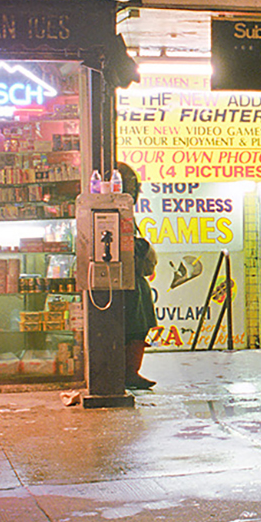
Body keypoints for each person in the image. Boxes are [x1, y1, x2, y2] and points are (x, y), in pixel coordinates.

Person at [116, 164, 157, 391]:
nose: (135, 191)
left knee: (139, 327)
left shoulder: (126, 211)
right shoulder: (119, 209)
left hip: (133, 278)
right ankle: (129, 372)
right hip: (127, 279)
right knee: (135, 327)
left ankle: (131, 371)